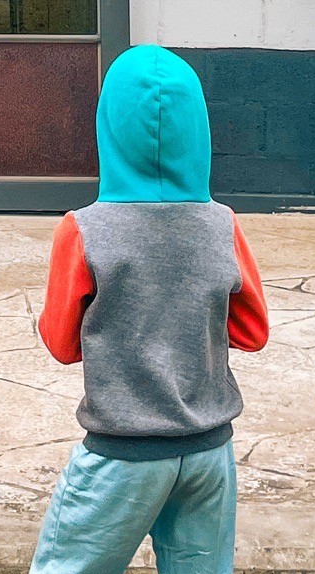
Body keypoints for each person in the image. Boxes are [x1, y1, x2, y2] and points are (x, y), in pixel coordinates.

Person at [30, 46, 270, 574]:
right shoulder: (222, 224)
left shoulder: (83, 230)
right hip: (210, 454)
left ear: (108, 130)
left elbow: (62, 344)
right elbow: (252, 332)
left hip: (123, 455)